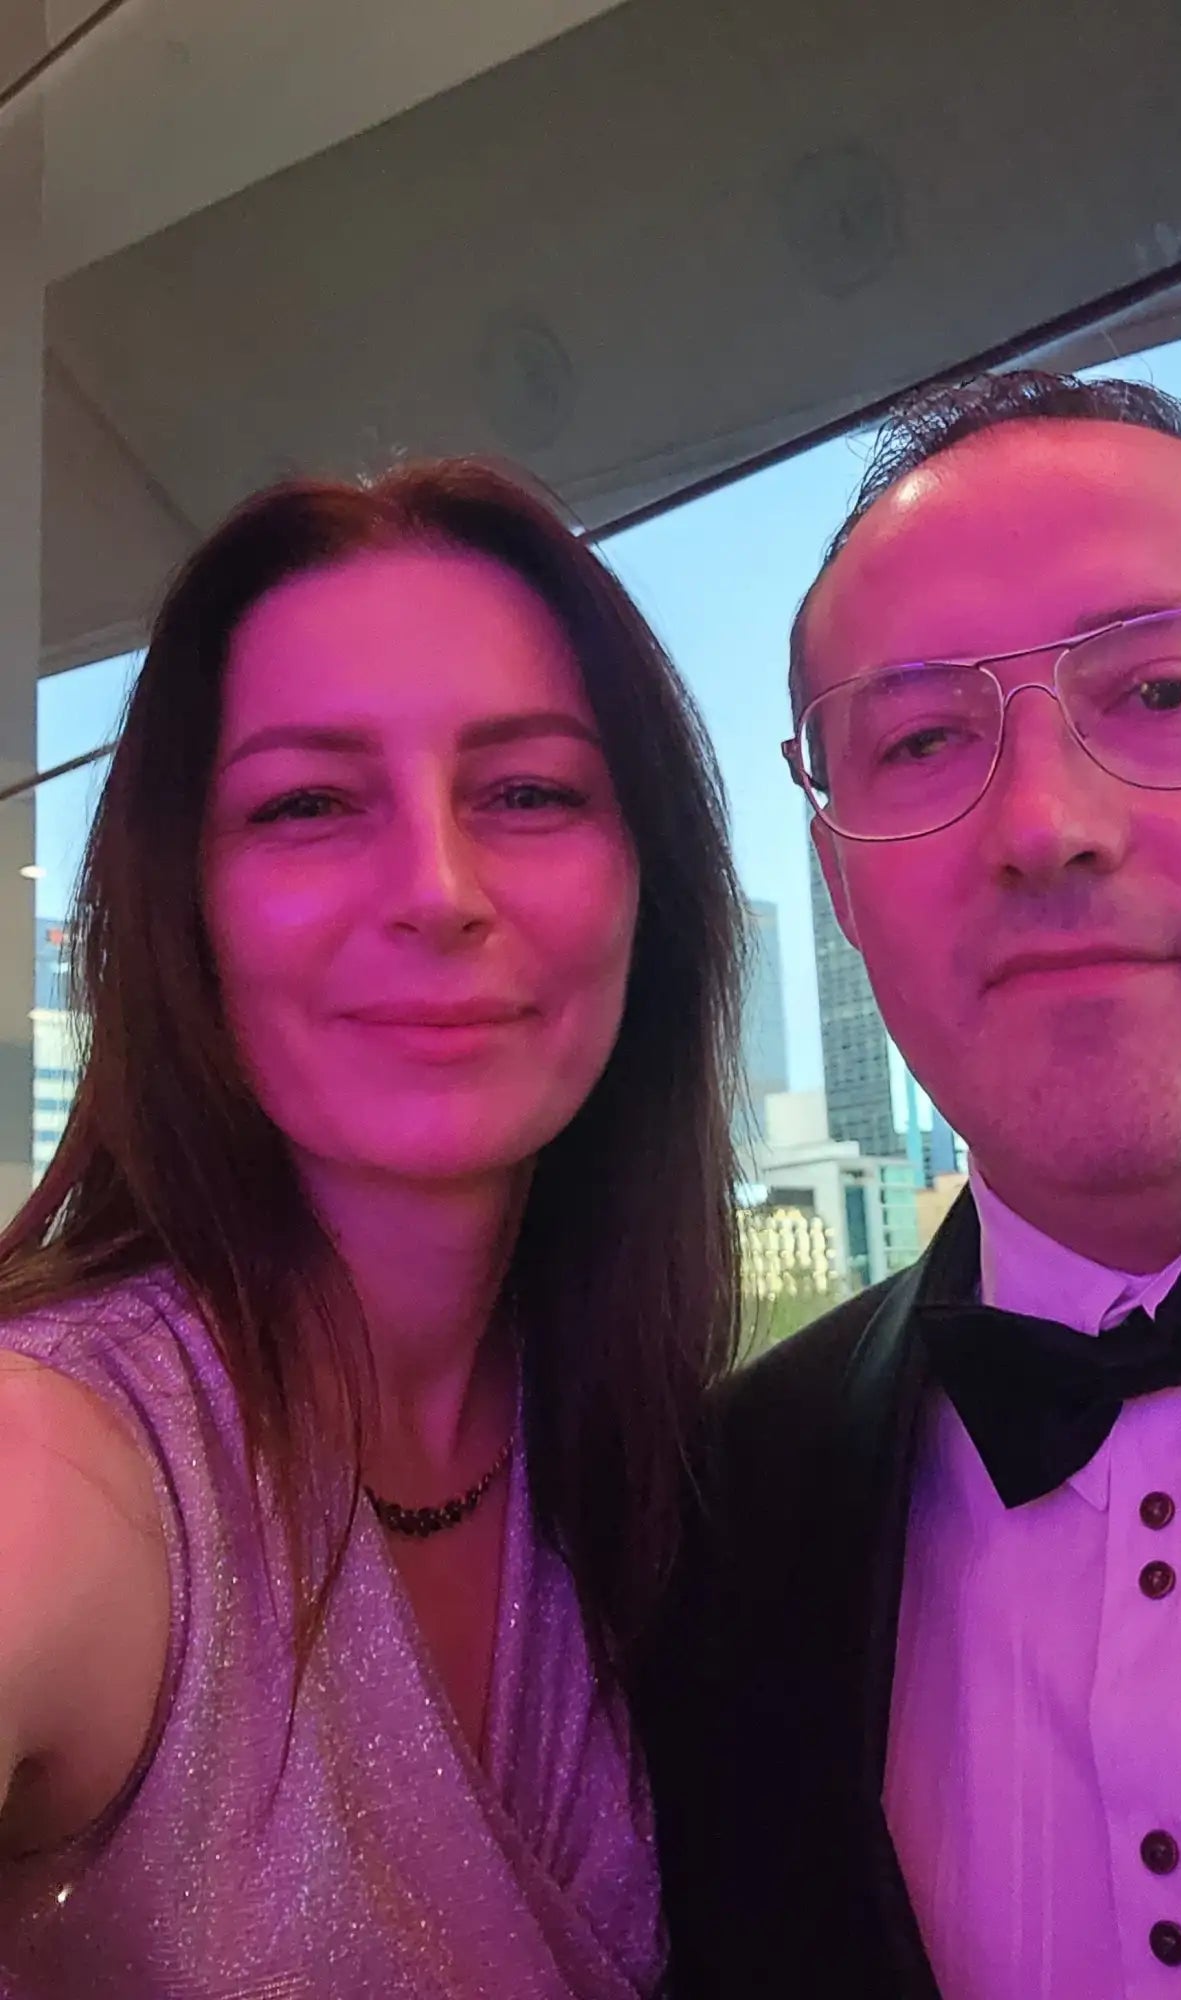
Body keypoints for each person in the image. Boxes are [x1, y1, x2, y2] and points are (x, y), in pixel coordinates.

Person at [638, 371, 1181, 2000]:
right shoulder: (720, 1509)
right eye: (920, 738)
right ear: (835, 880)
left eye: (1162, 690)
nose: (1045, 825)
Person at [0, 459, 743, 1996]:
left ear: (648, 889)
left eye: (528, 792)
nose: (438, 888)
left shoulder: (655, 1459)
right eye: (308, 804)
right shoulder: (62, 1460)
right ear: (180, 910)